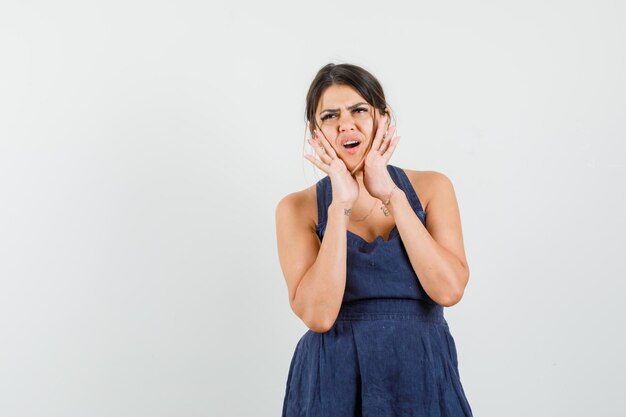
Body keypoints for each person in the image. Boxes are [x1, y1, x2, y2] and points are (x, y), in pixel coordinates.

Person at [275, 63, 474, 416]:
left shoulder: (432, 188)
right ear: (315, 132)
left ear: (383, 118)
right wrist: (341, 206)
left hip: (422, 380)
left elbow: (448, 290)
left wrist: (392, 196)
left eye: (359, 110)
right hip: (332, 384)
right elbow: (319, 316)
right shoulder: (297, 208)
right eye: (330, 116)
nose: (345, 124)